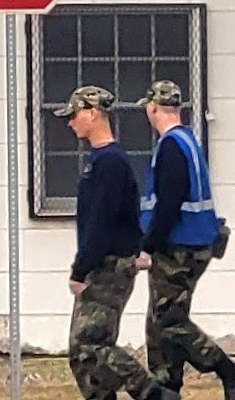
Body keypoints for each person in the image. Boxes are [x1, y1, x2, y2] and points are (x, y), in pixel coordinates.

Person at [56, 86, 177, 400]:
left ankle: (152, 392)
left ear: (93, 113)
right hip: (105, 261)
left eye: (75, 115)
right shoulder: (101, 160)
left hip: (108, 265)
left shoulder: (109, 163)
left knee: (90, 345)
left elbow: (101, 221)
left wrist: (80, 269)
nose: (71, 123)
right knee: (85, 352)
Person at [136, 79, 235, 400]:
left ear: (152, 107)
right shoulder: (188, 140)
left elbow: (169, 203)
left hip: (178, 247)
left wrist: (147, 245)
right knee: (162, 321)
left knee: (168, 321)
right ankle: (167, 385)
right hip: (196, 242)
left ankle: (228, 369)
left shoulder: (171, 146)